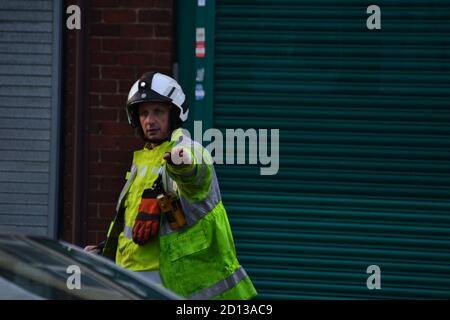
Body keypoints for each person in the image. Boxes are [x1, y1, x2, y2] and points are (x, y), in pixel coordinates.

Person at [85, 72, 257, 300]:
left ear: (174, 114)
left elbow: (196, 172)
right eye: (144, 113)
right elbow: (130, 216)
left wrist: (182, 162)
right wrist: (107, 249)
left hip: (163, 275)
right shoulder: (142, 159)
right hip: (129, 270)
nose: (149, 120)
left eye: (158, 112)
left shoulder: (187, 149)